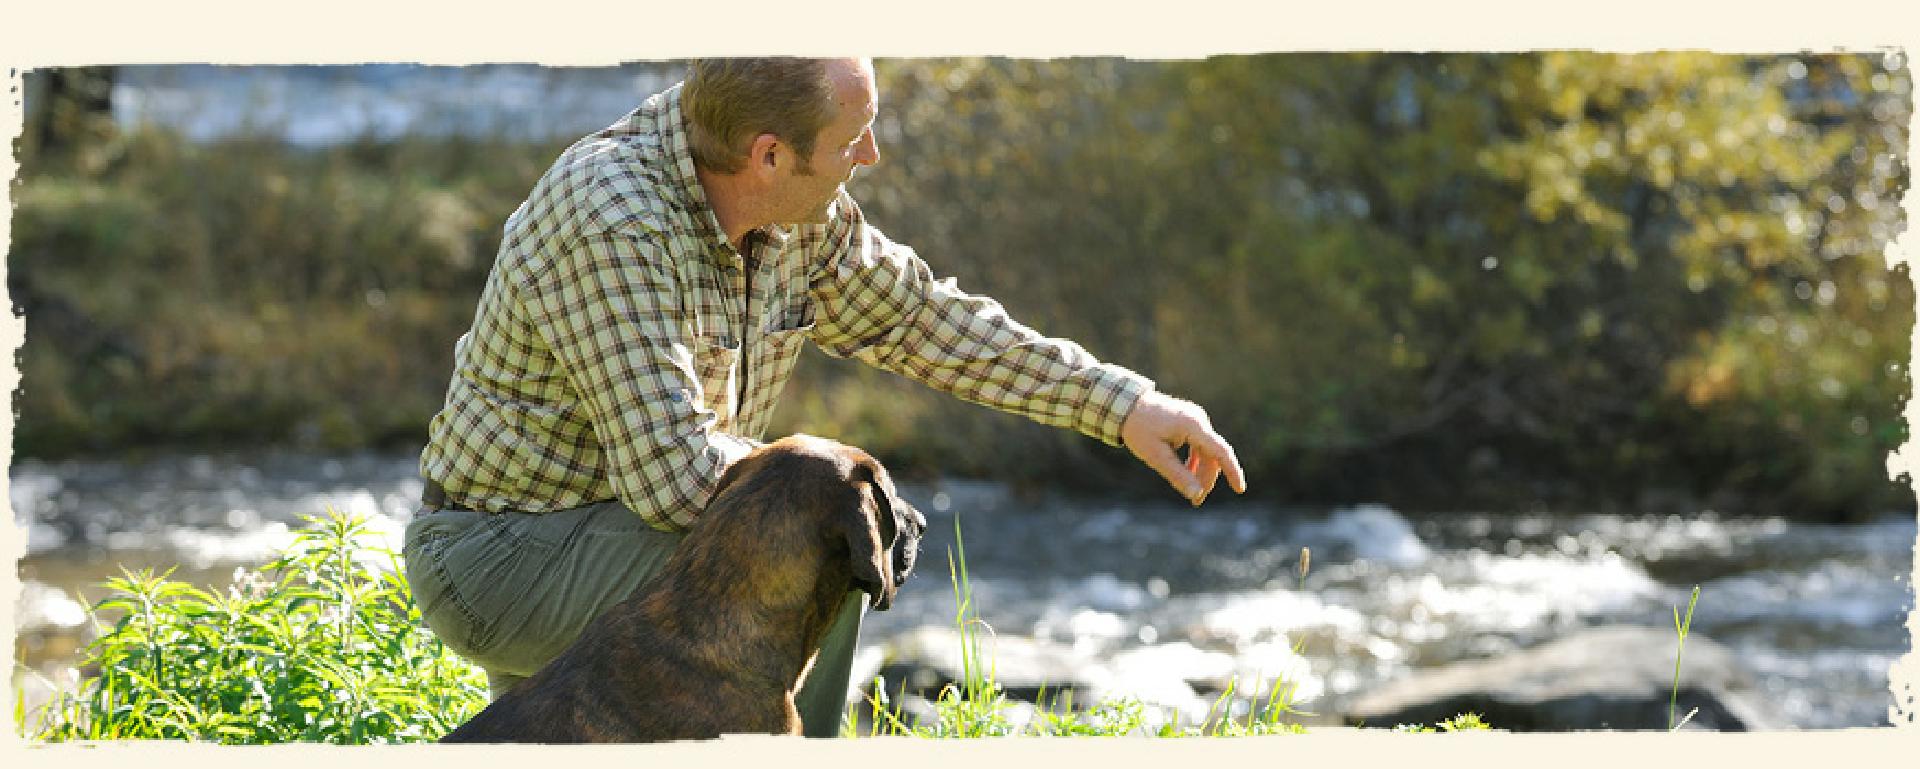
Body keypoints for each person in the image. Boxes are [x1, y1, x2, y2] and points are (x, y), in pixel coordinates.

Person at [402, 57, 1246, 738]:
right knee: (816, 553)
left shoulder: (800, 209)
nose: (870, 157)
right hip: (498, 553)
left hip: (618, 538)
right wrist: (839, 489)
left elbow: (924, 320)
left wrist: (1125, 406)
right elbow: (673, 476)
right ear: (769, 154)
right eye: (856, 138)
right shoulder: (615, 218)